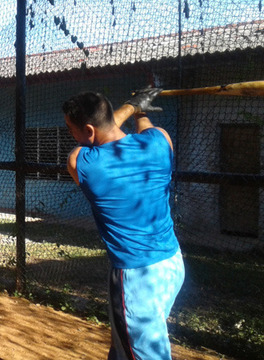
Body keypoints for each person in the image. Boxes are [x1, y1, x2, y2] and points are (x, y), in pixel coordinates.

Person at [62, 88, 185, 360]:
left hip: (136, 278)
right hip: (171, 265)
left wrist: (130, 105)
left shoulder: (83, 163)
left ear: (90, 131)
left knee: (143, 353)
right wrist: (139, 111)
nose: (73, 136)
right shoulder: (160, 141)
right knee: (126, 345)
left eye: (73, 130)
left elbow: (101, 132)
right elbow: (139, 129)